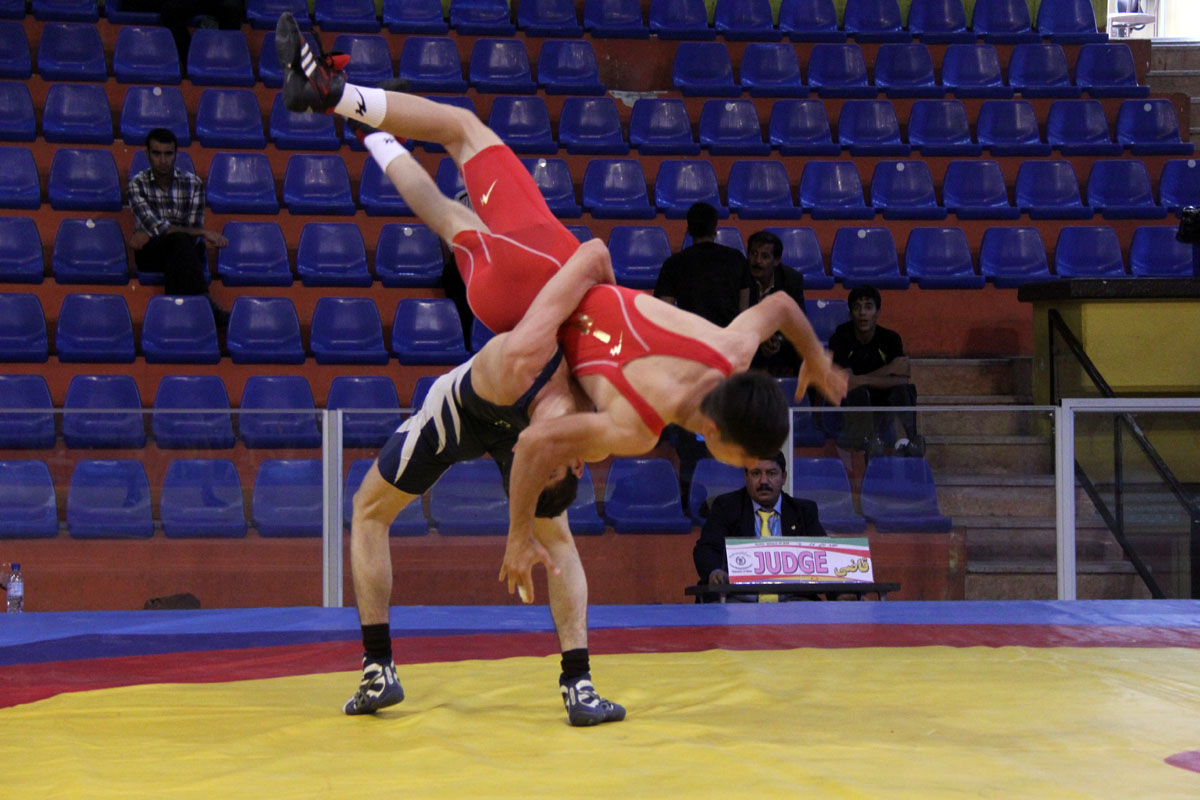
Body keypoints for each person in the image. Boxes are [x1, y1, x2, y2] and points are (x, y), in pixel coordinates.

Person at [272, 12, 850, 605]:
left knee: (463, 131)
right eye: (745, 461)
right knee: (450, 219)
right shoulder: (634, 428)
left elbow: (780, 306)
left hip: (550, 266)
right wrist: (517, 536)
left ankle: (343, 98)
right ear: (719, 437)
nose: (745, 469)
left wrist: (816, 356)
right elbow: (530, 446)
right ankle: (364, 126)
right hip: (514, 304)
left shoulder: (729, 348)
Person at [346, 237, 626, 726]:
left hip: (510, 410)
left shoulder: (590, 434)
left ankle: (579, 684)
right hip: (464, 407)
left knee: (556, 539)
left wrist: (522, 531)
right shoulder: (531, 358)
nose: (528, 465)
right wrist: (610, 312)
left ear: (579, 462)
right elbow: (597, 251)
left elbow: (532, 463)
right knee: (368, 509)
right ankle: (378, 670)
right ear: (575, 461)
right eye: (537, 467)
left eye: (535, 472)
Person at [127, 128, 229, 325]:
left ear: (176, 154)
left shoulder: (193, 183)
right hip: (151, 253)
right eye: (157, 153)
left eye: (168, 154)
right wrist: (202, 231)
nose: (163, 160)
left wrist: (153, 231)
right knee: (181, 243)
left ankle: (175, 317)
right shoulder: (136, 185)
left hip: (183, 250)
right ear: (147, 154)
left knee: (181, 244)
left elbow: (177, 232)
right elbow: (157, 226)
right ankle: (206, 307)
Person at [692, 451, 826, 601]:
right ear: (746, 476)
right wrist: (715, 572)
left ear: (784, 477)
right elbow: (707, 548)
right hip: (737, 600)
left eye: (771, 473)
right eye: (756, 473)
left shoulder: (803, 511)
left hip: (793, 601)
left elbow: (825, 557)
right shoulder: (726, 507)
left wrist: (839, 594)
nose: (764, 481)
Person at [827, 285, 924, 458]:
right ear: (850, 314)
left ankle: (911, 440)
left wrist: (860, 379)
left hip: (883, 406)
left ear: (878, 312)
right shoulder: (840, 338)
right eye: (857, 307)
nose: (862, 313)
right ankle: (868, 441)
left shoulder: (891, 339)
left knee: (904, 391)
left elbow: (902, 381)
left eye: (868, 307)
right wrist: (888, 369)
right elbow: (847, 384)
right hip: (851, 409)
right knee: (858, 391)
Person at [653, 202, 751, 328]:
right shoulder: (737, 258)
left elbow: (665, 311)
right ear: (715, 229)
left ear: (689, 230)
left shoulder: (673, 263)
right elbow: (744, 310)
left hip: (692, 334)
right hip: (728, 334)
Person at [746, 230, 807, 378]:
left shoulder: (791, 280)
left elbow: (798, 323)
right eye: (753, 254)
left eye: (765, 256)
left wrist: (778, 340)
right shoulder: (738, 276)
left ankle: (802, 393)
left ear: (777, 260)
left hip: (780, 342)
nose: (757, 261)